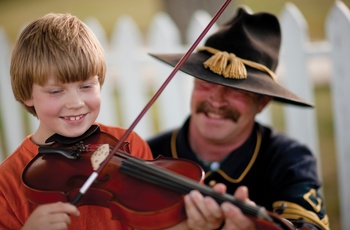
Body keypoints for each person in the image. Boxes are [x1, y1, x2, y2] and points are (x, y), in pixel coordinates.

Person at [0, 12, 254, 230]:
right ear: (26, 94)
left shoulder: (128, 145)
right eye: (56, 91)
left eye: (87, 86)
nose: (76, 102)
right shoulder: (8, 182)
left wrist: (194, 225)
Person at [147, 7, 330, 230]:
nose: (216, 100)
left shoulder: (289, 159)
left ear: (262, 103)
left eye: (236, 91)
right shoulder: (148, 153)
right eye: (206, 83)